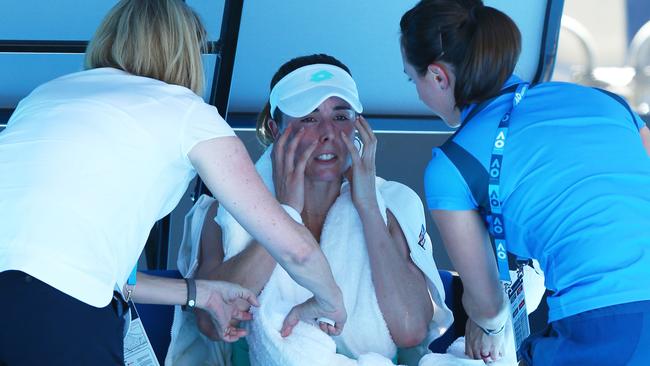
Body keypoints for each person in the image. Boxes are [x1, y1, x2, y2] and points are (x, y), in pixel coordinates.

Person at [0, 1, 346, 365]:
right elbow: (296, 249)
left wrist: (199, 293)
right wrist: (332, 303)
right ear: (187, 54)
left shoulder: (43, 97)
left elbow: (92, 271)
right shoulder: (185, 111)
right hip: (56, 315)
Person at [399, 0, 650, 364]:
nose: (418, 92)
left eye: (413, 79)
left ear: (438, 76)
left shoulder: (452, 165)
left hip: (607, 321)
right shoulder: (610, 102)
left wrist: (486, 325)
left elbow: (487, 305)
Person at [166, 54, 453, 366]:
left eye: (341, 117)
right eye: (308, 118)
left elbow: (410, 331)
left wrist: (369, 208)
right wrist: (284, 214)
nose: (328, 132)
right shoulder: (229, 210)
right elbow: (211, 324)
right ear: (276, 130)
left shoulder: (395, 204)